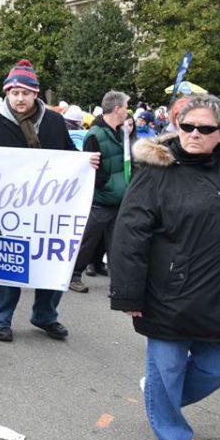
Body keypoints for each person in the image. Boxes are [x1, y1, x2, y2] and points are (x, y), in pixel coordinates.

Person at [109, 94, 220, 440]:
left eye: (205, 128)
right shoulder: (156, 171)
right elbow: (129, 233)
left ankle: (158, 396)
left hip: (216, 295)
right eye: (188, 126)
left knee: (214, 368)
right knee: (168, 367)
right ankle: (172, 434)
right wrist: (128, 293)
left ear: (219, 133)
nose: (194, 134)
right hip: (167, 293)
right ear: (177, 126)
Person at [0, 60, 98, 343]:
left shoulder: (55, 122)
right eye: (15, 92)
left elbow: (69, 156)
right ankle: (0, 319)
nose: (20, 98)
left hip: (49, 209)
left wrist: (85, 162)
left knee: (51, 263)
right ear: (7, 93)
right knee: (8, 264)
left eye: (26, 92)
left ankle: (45, 316)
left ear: (36, 94)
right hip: (9, 211)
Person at [69, 91, 130, 293]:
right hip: (101, 200)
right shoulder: (94, 134)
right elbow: (92, 170)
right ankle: (73, 275)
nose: (128, 111)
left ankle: (118, 284)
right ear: (117, 109)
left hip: (118, 199)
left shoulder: (121, 132)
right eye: (126, 107)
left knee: (117, 245)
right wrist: (109, 184)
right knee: (87, 241)